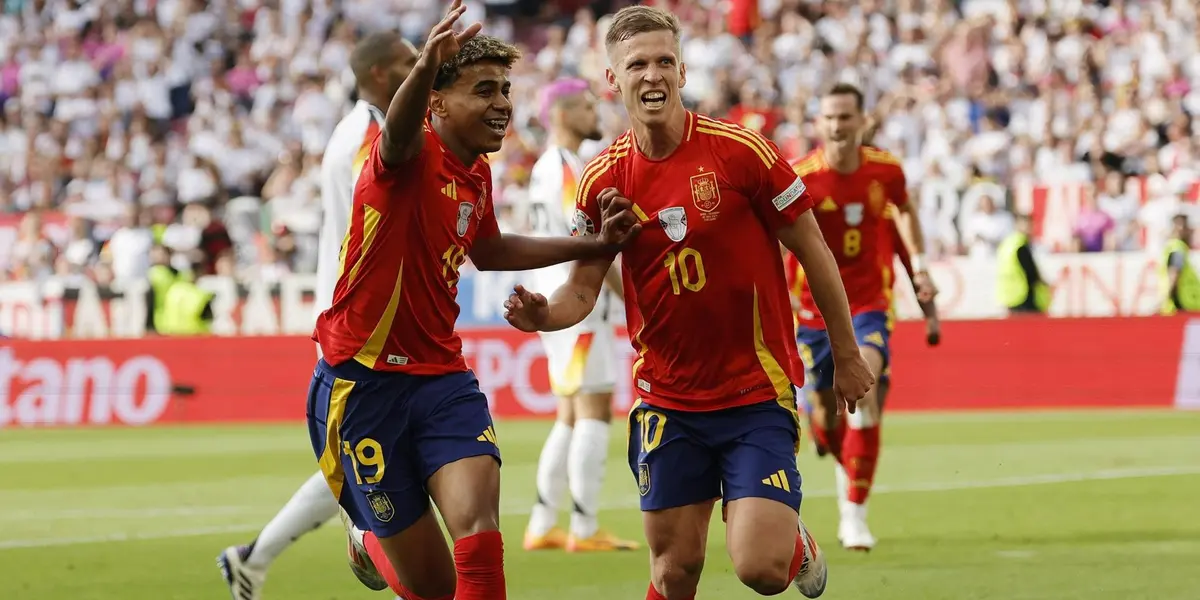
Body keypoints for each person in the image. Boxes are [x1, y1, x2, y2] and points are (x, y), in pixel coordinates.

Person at [503, 6, 873, 599]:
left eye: (664, 62)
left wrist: (848, 353)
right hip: (667, 399)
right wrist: (541, 314)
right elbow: (581, 289)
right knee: (673, 572)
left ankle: (792, 542)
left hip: (755, 390)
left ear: (681, 72)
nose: (653, 75)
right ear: (613, 81)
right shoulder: (603, 180)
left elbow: (813, 249)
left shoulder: (741, 152)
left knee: (760, 569)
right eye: (637, 64)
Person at [306, 4, 639, 600]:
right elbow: (401, 130)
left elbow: (489, 247)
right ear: (436, 103)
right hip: (362, 382)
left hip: (441, 380)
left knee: (480, 537)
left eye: (506, 90)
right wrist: (425, 66)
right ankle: (369, 535)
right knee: (432, 588)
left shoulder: (474, 173)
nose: (502, 103)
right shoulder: (401, 158)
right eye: (483, 90)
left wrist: (596, 244)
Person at [216, 32, 418, 600]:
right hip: (360, 323)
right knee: (379, 455)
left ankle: (254, 559)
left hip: (367, 318)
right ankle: (359, 529)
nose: (419, 71)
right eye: (409, 63)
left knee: (362, 455)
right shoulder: (365, 137)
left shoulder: (363, 128)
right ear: (380, 73)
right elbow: (381, 213)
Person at [787, 82, 935, 552]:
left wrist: (922, 265)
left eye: (846, 117)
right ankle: (822, 426)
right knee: (830, 424)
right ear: (818, 123)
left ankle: (854, 516)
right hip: (812, 312)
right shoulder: (801, 177)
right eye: (829, 118)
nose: (837, 126)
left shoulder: (886, 170)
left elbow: (905, 212)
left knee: (865, 395)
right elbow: (778, 240)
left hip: (869, 305)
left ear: (862, 120)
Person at [520, 78, 639, 553]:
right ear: (564, 114)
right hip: (577, 305)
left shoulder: (545, 167)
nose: (597, 115)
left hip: (555, 300)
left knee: (570, 414)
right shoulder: (568, 169)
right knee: (594, 408)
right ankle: (584, 529)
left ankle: (543, 522)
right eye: (588, 107)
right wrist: (633, 298)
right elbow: (590, 244)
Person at [996, 213, 1049, 315]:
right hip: (1022, 295)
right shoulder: (1020, 245)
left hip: (1009, 296)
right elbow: (1030, 271)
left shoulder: (1007, 243)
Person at [1161, 213, 1200, 314]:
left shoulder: (1173, 248)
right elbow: (1174, 276)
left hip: (1182, 305)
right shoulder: (1178, 249)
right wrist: (1166, 299)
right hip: (1183, 305)